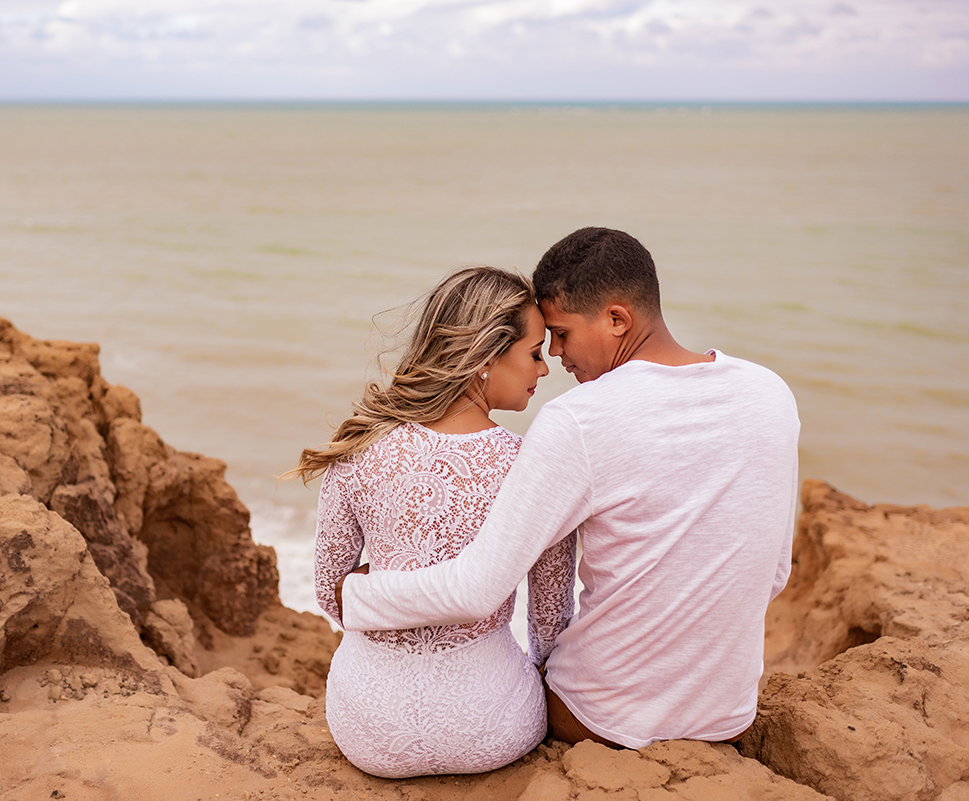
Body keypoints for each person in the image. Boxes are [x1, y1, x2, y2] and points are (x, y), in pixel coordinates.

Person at [338, 227, 800, 750]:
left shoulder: (578, 420)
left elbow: (477, 588)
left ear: (617, 319)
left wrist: (354, 594)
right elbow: (775, 572)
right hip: (725, 715)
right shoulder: (770, 393)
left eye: (560, 332)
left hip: (600, 720)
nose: (554, 354)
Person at [289, 266, 577, 779]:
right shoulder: (529, 465)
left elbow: (331, 596)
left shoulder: (360, 447)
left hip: (370, 731)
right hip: (492, 726)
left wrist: (370, 589)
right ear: (487, 358)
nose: (545, 369)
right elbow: (549, 621)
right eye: (535, 354)